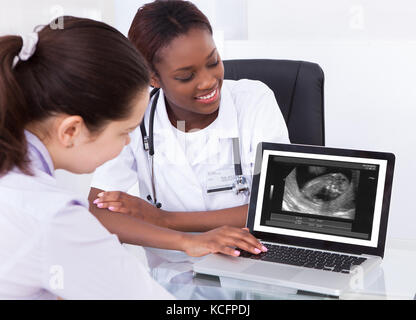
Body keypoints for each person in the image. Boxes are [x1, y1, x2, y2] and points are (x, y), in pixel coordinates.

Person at [0, 16, 262, 300]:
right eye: (125, 131)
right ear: (71, 130)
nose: (128, 142)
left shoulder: (20, 189)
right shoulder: (55, 219)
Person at [89, 0, 287, 268]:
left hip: (254, 265)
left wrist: (165, 219)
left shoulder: (254, 101)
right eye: (185, 76)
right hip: (173, 274)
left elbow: (275, 207)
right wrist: (187, 241)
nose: (207, 81)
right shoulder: (135, 115)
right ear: (153, 78)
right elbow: (98, 212)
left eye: (213, 62)